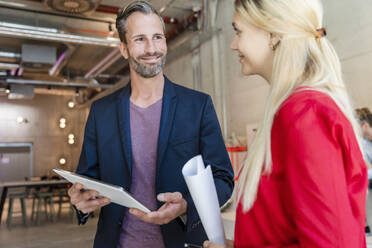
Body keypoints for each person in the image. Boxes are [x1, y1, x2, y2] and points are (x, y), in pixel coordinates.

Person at [67, 1, 234, 248]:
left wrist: (186, 204)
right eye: (139, 39)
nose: (151, 48)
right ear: (123, 48)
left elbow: (223, 178)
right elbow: (87, 179)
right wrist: (79, 200)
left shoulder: (197, 106)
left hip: (183, 242)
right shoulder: (101, 112)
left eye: (157, 37)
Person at [204, 0, 367, 247]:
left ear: (273, 33)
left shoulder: (305, 116)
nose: (233, 44)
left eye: (238, 31)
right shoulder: (295, 111)